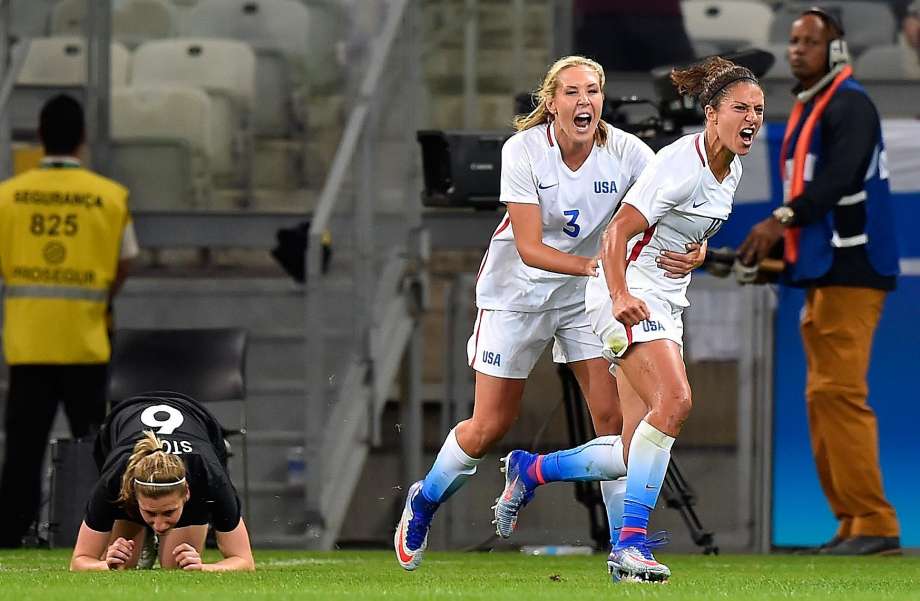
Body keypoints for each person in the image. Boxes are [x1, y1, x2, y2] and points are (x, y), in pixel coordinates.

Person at [393, 55, 705, 572]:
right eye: (571, 92)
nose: (584, 101)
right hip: (517, 294)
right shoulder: (524, 149)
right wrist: (601, 270)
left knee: (615, 424)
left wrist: (694, 249)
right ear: (550, 101)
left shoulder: (629, 152)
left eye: (592, 91)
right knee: (490, 423)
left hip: (585, 298)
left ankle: (624, 549)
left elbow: (668, 212)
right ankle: (422, 503)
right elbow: (530, 247)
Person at [579, 56, 761, 582]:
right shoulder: (678, 166)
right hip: (625, 295)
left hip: (666, 302)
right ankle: (630, 547)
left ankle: (531, 469)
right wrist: (617, 295)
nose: (751, 118)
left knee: (630, 452)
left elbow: (686, 231)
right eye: (739, 108)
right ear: (710, 113)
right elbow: (616, 234)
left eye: (758, 110)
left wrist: (699, 254)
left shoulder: (734, 166)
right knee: (676, 401)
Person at [738, 8, 901, 556]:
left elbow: (839, 179)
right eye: (793, 41)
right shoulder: (816, 106)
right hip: (827, 273)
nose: (796, 50)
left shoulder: (849, 105)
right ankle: (854, 522)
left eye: (811, 42)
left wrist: (778, 220)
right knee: (824, 397)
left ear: (836, 51)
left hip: (852, 270)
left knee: (839, 393)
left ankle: (875, 521)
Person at [0, 94, 138, 548]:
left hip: (30, 343)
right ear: (82, 138)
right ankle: (101, 534)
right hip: (86, 341)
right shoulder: (110, 197)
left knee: (23, 449)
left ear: (39, 136)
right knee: (96, 448)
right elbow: (126, 261)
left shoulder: (9, 197)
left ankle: (11, 532)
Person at [70, 392, 255, 571]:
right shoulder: (114, 481)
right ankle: (143, 532)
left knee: (176, 565)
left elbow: (244, 560)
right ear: (133, 494)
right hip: (119, 425)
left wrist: (202, 567)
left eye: (168, 512)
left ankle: (152, 523)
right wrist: (106, 565)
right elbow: (80, 560)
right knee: (122, 564)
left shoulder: (209, 478)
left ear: (187, 493)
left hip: (198, 421)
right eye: (150, 512)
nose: (159, 525)